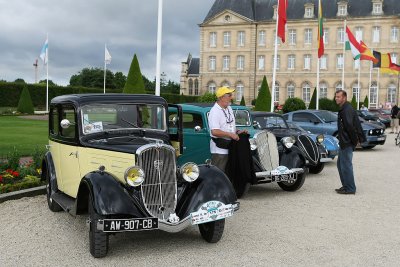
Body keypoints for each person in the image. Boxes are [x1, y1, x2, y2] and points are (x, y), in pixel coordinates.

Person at [335, 90, 366, 195]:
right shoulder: (344, 108)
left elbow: (350, 127)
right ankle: (346, 186)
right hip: (344, 141)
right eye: (336, 97)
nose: (336, 98)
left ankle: (350, 188)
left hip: (347, 142)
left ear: (344, 98)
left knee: (346, 165)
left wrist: (354, 141)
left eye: (339, 97)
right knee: (340, 164)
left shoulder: (346, 109)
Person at [208, 86, 240, 172]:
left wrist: (238, 132)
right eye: (229, 95)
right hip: (219, 150)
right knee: (218, 175)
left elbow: (228, 126)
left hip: (230, 147)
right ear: (221, 97)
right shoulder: (214, 111)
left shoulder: (229, 108)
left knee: (228, 174)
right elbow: (214, 131)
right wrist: (230, 134)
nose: (231, 97)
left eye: (231, 95)